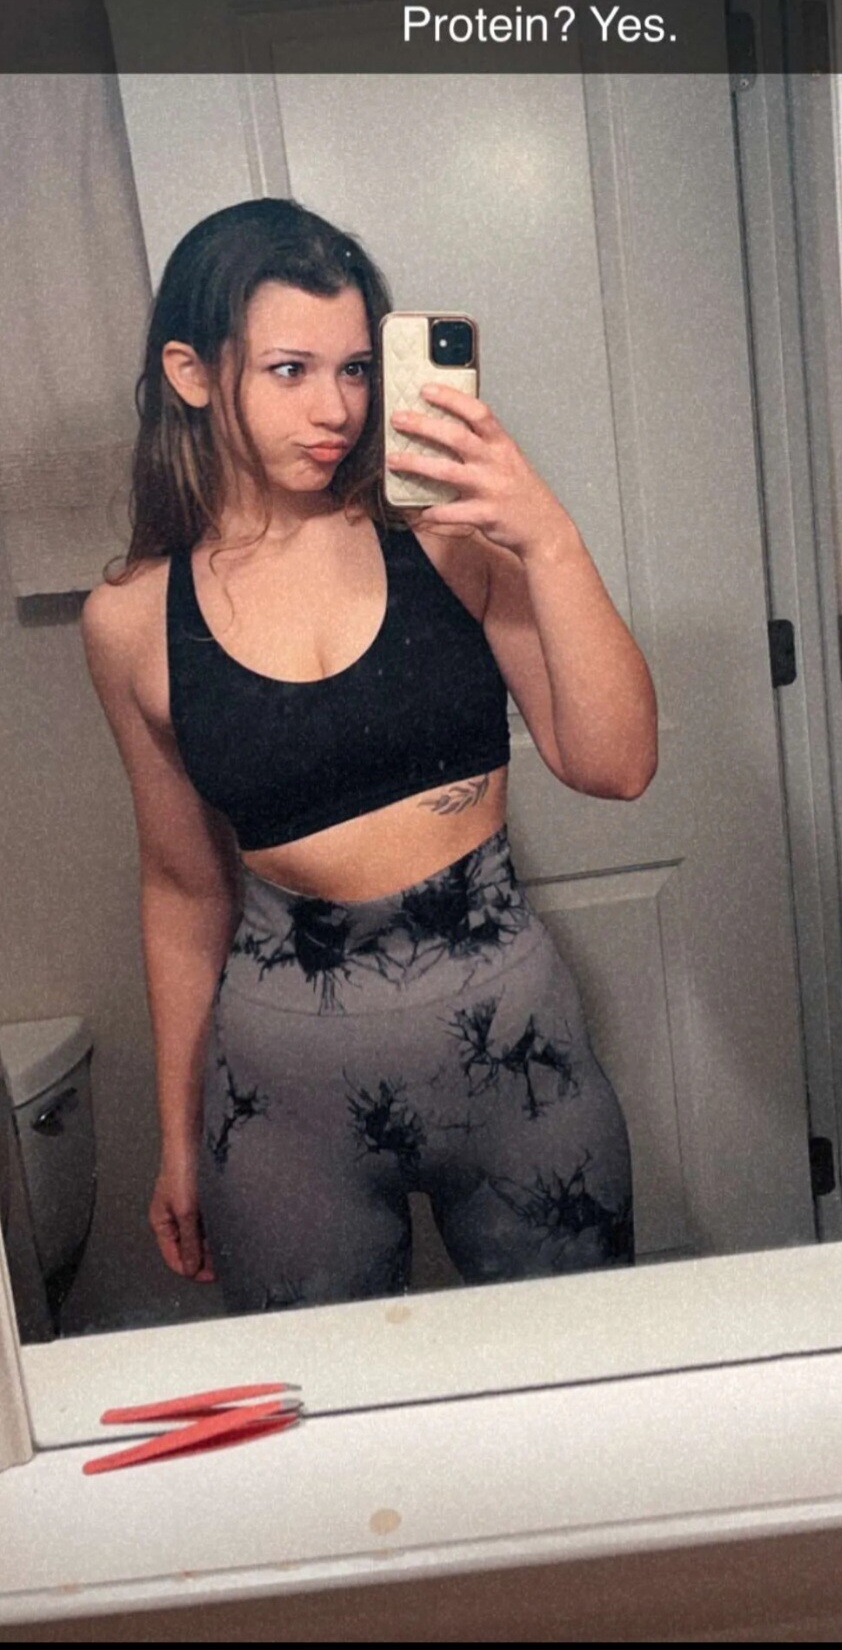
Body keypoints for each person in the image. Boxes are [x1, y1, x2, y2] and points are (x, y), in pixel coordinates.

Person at [80, 198, 658, 1314]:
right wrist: (177, 1135)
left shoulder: (443, 534)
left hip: (517, 1058)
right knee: (322, 1402)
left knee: (581, 1372)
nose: (338, 408)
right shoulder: (132, 618)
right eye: (290, 369)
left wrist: (548, 536)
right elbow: (184, 887)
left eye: (355, 367)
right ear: (192, 373)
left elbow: (617, 763)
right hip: (282, 1098)